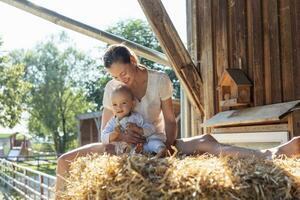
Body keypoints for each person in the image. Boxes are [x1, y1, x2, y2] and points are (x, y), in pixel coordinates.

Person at [55, 44, 300, 196]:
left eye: (123, 73)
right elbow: (105, 132)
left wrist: (169, 146)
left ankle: (271, 153)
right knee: (64, 161)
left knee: (206, 139)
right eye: (115, 76)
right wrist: (120, 137)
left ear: (132, 61)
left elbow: (171, 121)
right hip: (118, 146)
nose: (121, 80)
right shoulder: (113, 88)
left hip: (156, 142)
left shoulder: (160, 80)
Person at [101, 84, 166, 155]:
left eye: (123, 103)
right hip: (126, 150)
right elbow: (103, 137)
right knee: (109, 148)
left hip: (144, 145)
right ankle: (136, 154)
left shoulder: (136, 117)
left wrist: (138, 129)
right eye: (115, 104)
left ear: (132, 103)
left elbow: (151, 128)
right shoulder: (113, 122)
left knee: (153, 142)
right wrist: (114, 134)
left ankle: (161, 150)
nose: (119, 107)